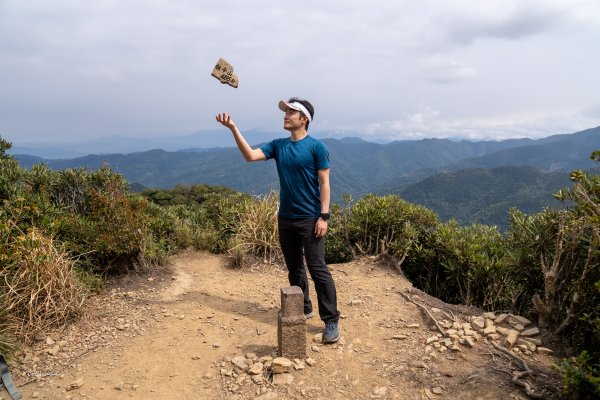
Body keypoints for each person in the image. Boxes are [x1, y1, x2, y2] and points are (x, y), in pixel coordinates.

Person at [215, 97, 340, 343]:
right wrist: (233, 129)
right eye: (286, 111)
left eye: (291, 112)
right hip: (286, 218)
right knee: (294, 268)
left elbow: (324, 182)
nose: (286, 115)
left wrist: (323, 216)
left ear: (304, 119)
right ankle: (303, 307)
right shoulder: (278, 145)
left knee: (317, 268)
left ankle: (331, 320)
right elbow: (250, 156)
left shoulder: (316, 147)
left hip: (310, 217)